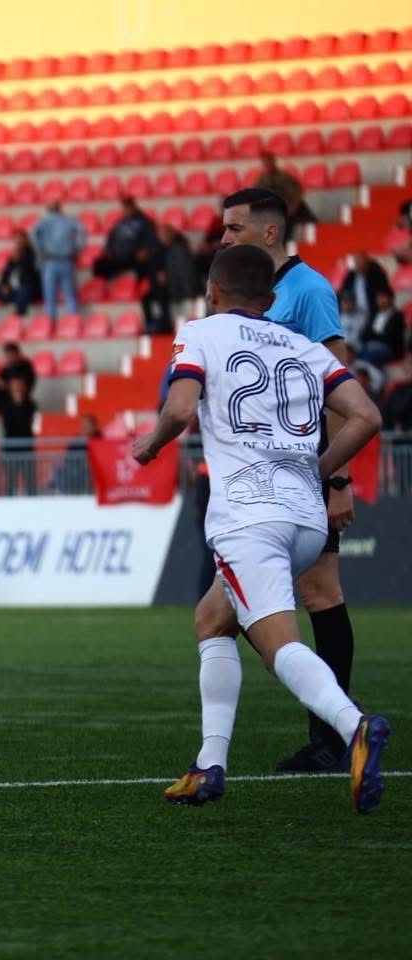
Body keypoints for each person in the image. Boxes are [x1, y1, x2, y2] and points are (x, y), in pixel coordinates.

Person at [131, 244, 389, 813]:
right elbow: (367, 415)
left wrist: (151, 443)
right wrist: (319, 470)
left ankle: (355, 726)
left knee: (278, 645)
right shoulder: (303, 346)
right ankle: (209, 764)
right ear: (270, 300)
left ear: (212, 292)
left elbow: (180, 408)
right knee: (212, 619)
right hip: (305, 518)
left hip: (249, 515)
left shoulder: (201, 332)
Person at [220, 187, 363, 773]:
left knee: (320, 593)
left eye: (234, 228)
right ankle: (333, 725)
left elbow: (340, 387)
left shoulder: (309, 291)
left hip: (305, 469)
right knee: (231, 608)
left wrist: (338, 480)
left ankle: (334, 738)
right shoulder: (245, 290)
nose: (225, 238)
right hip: (257, 473)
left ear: (270, 232)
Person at [31, 200, 85, 320]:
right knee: (69, 293)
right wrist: (76, 249)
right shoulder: (69, 220)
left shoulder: (42, 221)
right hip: (66, 259)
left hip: (49, 260)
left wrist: (40, 251)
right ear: (60, 208)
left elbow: (33, 235)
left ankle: (51, 321)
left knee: (49, 294)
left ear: (48, 209)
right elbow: (82, 232)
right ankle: (73, 320)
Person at [92, 196, 160, 285]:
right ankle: (103, 287)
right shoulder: (120, 222)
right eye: (124, 208)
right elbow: (111, 237)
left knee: (146, 264)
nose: (125, 210)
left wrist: (146, 249)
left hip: (134, 257)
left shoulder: (145, 222)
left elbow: (151, 239)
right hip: (117, 256)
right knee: (99, 263)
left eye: (128, 207)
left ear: (134, 207)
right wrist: (108, 249)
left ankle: (138, 287)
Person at [256, 152, 315, 233]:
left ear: (273, 161)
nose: (267, 165)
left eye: (269, 162)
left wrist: (293, 206)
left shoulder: (284, 177)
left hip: (291, 208)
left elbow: (298, 191)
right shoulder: (261, 180)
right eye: (265, 163)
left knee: (309, 221)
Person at [0, 376, 38, 495]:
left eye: (20, 385)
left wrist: (20, 406)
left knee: (30, 481)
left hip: (27, 448)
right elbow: (8, 427)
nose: (17, 388)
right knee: (11, 481)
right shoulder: (6, 406)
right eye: (15, 386)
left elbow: (27, 425)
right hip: (10, 449)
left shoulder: (31, 405)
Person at [337, 252, 392, 323]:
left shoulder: (376, 273)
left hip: (372, 312)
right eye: (355, 262)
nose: (357, 265)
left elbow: (383, 293)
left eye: (359, 262)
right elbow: (343, 291)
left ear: (366, 262)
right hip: (354, 312)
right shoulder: (351, 275)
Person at [361, 289, 406, 367]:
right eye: (378, 298)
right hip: (371, 345)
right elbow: (364, 334)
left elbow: (391, 337)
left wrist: (374, 336)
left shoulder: (397, 316)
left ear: (390, 299)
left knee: (371, 354)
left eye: (383, 297)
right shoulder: (374, 315)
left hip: (389, 348)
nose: (380, 301)